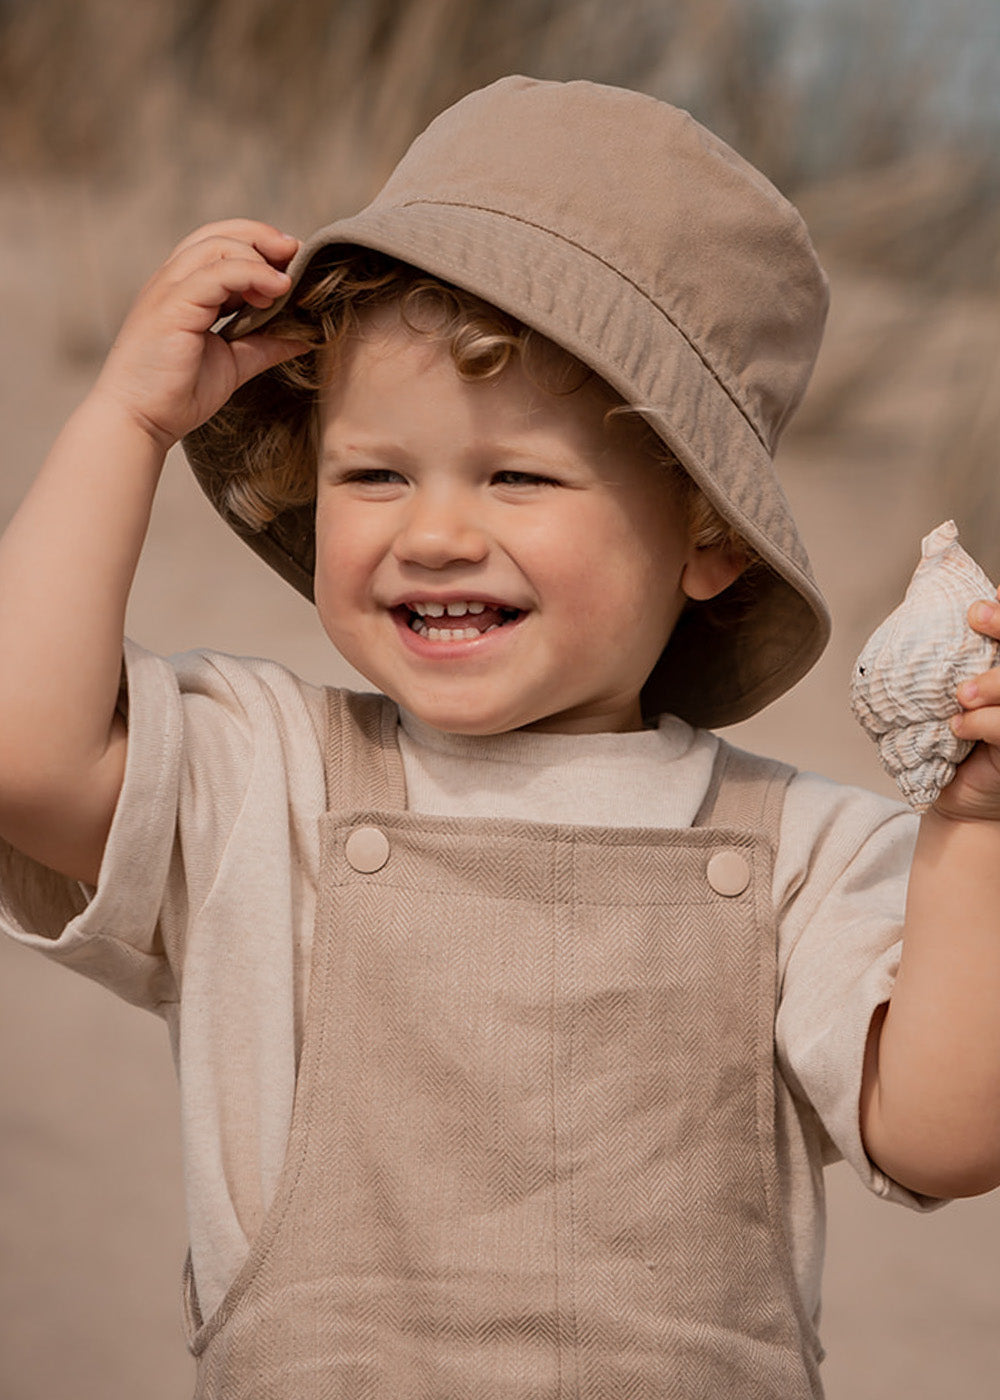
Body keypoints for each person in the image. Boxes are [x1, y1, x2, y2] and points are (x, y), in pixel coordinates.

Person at [1, 75, 999, 1399]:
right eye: (375, 472)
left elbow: (939, 1135)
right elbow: (25, 754)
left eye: (517, 474)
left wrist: (975, 831)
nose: (433, 533)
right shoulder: (263, 777)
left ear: (708, 534)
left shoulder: (802, 852)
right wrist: (123, 422)